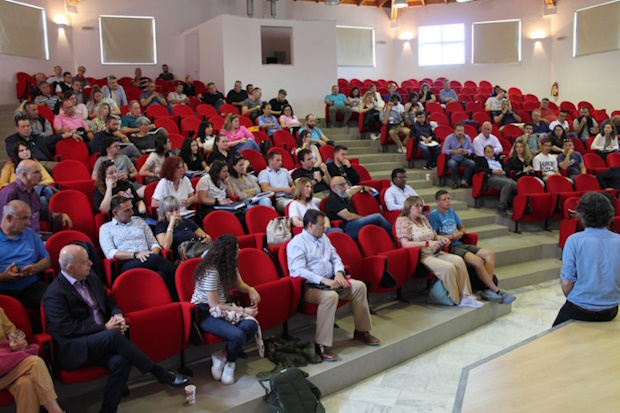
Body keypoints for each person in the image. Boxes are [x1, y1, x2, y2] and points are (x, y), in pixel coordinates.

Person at [43, 244, 189, 413]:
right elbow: (66, 328)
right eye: (84, 262)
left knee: (120, 362)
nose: (91, 263)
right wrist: (103, 328)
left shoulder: (91, 278)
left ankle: (108, 410)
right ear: (70, 268)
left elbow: (109, 302)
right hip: (75, 347)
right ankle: (160, 373)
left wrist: (118, 316)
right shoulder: (54, 294)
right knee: (112, 336)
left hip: (101, 340)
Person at [287, 209, 379, 361]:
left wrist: (339, 273)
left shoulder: (324, 238)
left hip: (332, 280)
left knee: (359, 287)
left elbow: (335, 258)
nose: (325, 228)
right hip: (311, 287)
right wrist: (323, 280)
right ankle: (321, 344)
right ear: (310, 225)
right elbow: (298, 271)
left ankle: (361, 331)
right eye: (322, 225)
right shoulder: (296, 243)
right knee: (330, 297)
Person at [191, 235, 261, 383]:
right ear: (228, 252)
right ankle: (231, 363)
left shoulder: (229, 266)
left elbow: (240, 285)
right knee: (238, 335)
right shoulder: (211, 271)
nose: (239, 250)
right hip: (204, 311)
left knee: (251, 326)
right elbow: (214, 305)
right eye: (236, 248)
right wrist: (243, 311)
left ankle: (223, 355)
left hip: (223, 309)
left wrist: (250, 289)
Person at [428, 190, 516, 304]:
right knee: (477, 260)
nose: (448, 202)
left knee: (489, 254)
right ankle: (495, 290)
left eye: (449, 199)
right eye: (444, 199)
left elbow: (462, 227)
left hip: (459, 243)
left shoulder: (452, 212)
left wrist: (461, 232)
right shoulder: (433, 215)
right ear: (437, 202)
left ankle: (487, 289)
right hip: (448, 247)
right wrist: (451, 236)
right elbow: (434, 237)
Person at [395, 196, 483, 308]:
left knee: (459, 260)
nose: (420, 209)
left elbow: (434, 235)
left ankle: (466, 296)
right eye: (417, 206)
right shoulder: (402, 221)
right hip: (420, 256)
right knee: (449, 267)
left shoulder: (423, 219)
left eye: (421, 206)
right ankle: (456, 299)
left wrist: (442, 239)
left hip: (434, 251)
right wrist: (427, 243)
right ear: (409, 207)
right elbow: (405, 244)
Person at [552, 192, 620, 326]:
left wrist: (574, 298)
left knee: (553, 331)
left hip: (580, 309)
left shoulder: (574, 241)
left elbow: (567, 282)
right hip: (610, 310)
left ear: (582, 215)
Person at [99, 196, 178, 291]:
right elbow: (110, 252)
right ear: (115, 212)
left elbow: (154, 244)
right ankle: (184, 278)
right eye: (127, 210)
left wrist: (151, 254)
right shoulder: (106, 228)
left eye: (131, 208)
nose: (132, 212)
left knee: (162, 275)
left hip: (149, 259)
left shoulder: (140, 222)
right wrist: (135, 255)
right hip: (127, 262)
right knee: (157, 261)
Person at [0, 305, 64, 413]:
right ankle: (55, 411)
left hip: (6, 366)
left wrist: (19, 343)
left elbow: (13, 334)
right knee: (35, 362)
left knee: (25, 383)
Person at [0, 200, 51, 313]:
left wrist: (35, 268)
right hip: (3, 290)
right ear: (9, 218)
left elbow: (47, 261)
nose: (29, 223)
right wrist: (3, 277)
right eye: (24, 218)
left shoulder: (30, 234)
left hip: (30, 287)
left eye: (29, 218)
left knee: (53, 297)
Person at [0, 160, 72, 233]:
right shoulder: (10, 192)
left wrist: (61, 215)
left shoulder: (32, 191)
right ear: (24, 175)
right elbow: (3, 225)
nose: (41, 176)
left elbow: (42, 212)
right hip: (20, 238)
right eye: (36, 172)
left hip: (35, 235)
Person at [324, 176, 393, 241]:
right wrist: (363, 218)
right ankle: (394, 235)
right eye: (341, 185)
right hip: (347, 228)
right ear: (333, 187)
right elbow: (348, 217)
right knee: (377, 217)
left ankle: (392, 233)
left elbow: (350, 192)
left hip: (353, 224)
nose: (345, 187)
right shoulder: (332, 200)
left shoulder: (341, 195)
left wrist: (362, 187)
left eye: (345, 184)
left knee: (384, 223)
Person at [155, 196, 210, 261]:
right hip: (182, 256)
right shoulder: (161, 226)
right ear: (164, 213)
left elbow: (205, 236)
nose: (175, 213)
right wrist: (171, 224)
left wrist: (206, 238)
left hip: (196, 249)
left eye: (176, 209)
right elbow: (166, 246)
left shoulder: (187, 221)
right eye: (170, 211)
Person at [474, 145, 517, 216]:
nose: (490, 154)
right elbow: (477, 169)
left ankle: (521, 205)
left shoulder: (498, 159)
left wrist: (504, 171)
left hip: (502, 175)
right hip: (492, 177)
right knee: (508, 183)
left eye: (492, 152)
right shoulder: (480, 159)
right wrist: (492, 170)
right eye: (488, 152)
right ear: (484, 153)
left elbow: (507, 168)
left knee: (516, 185)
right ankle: (501, 207)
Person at [442, 123, 475, 189]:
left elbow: (471, 149)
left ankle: (464, 181)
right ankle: (456, 182)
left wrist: (467, 152)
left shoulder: (467, 138)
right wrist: (455, 151)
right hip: (453, 158)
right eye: (458, 130)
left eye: (462, 130)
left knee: (472, 163)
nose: (460, 132)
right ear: (454, 131)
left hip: (463, 158)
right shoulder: (449, 138)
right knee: (452, 164)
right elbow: (444, 150)